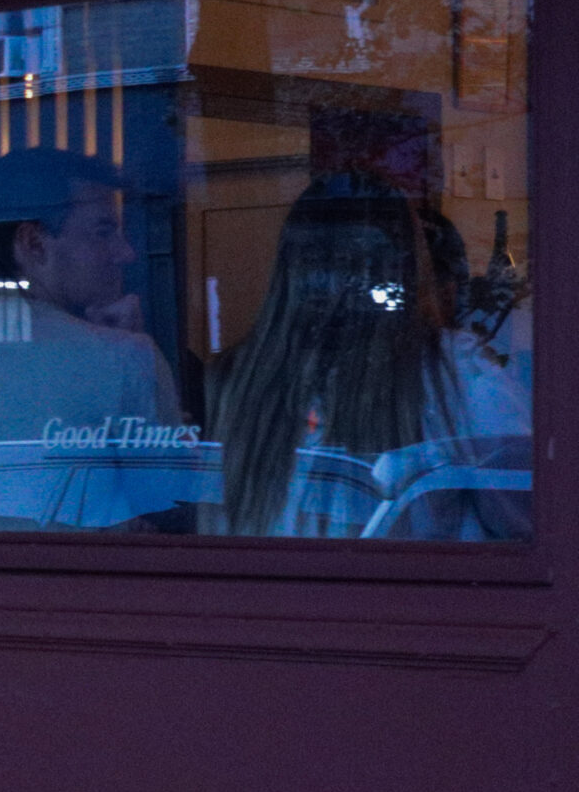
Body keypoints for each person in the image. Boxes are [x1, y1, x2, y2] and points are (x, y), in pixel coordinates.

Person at [207, 175, 528, 538]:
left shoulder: (243, 379)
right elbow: (528, 520)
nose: (338, 288)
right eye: (326, 265)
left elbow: (530, 521)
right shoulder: (456, 374)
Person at [0, 146, 187, 529]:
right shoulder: (122, 356)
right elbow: (175, 506)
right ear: (34, 244)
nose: (126, 252)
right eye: (104, 231)